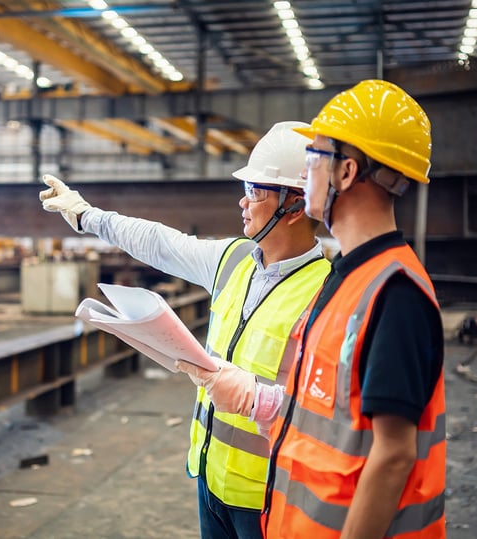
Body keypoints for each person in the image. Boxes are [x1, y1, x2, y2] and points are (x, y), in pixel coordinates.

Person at [178, 80, 446, 539]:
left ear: (345, 172)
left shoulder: (394, 293)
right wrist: (259, 401)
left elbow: (394, 455)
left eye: (313, 158)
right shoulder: (344, 276)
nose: (305, 175)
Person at [39, 121, 331, 539]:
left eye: (255, 191)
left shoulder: (328, 292)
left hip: (272, 496)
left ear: (295, 206)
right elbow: (160, 242)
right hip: (209, 477)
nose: (242, 203)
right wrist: (86, 215)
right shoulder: (232, 260)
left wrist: (256, 398)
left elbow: (333, 411)